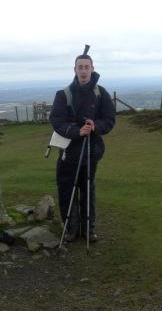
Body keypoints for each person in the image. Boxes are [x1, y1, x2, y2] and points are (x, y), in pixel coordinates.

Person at [49, 45, 116, 242]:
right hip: (68, 152)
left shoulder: (101, 93)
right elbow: (56, 120)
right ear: (75, 70)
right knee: (66, 189)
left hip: (90, 151)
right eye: (80, 67)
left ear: (92, 69)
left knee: (88, 190)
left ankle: (88, 229)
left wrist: (95, 126)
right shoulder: (63, 94)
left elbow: (110, 119)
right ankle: (71, 229)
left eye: (87, 67)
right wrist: (77, 131)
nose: (84, 71)